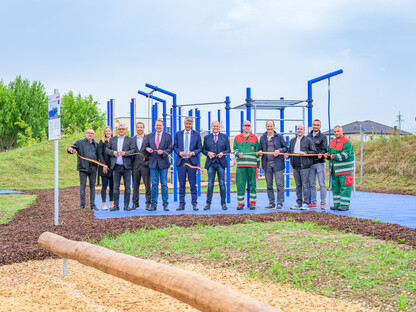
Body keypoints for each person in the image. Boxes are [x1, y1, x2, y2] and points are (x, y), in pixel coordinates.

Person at [285, 124, 317, 210]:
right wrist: (287, 155)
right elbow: (289, 152)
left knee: (305, 185)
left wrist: (305, 152)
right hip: (295, 166)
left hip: (305, 166)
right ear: (296, 130)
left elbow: (314, 152)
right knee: (298, 186)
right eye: (298, 129)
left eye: (301, 129)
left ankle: (306, 203)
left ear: (304, 130)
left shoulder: (308, 140)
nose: (299, 130)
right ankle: (298, 203)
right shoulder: (292, 140)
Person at [174, 117, 202, 211]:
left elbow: (200, 148)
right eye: (187, 123)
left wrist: (193, 153)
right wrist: (179, 152)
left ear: (192, 125)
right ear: (184, 124)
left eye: (190, 124)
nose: (188, 125)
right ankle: (181, 204)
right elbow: (175, 146)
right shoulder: (178, 134)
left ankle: (194, 203)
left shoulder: (196, 134)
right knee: (181, 184)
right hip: (181, 161)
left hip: (191, 162)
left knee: (193, 184)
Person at [258, 120, 288, 210]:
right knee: (269, 185)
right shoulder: (262, 137)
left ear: (274, 127)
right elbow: (260, 148)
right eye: (268, 126)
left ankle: (280, 204)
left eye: (271, 126)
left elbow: (285, 148)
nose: (269, 128)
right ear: (266, 127)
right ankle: (271, 203)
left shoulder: (279, 137)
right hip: (267, 164)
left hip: (277, 163)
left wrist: (279, 151)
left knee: (279, 184)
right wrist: (260, 152)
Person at [324, 125, 355, 211]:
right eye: (335, 131)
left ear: (342, 131)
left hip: (345, 170)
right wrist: (327, 156)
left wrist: (333, 156)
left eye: (338, 131)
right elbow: (329, 153)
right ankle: (337, 204)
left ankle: (345, 206)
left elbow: (345, 155)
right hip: (334, 171)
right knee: (335, 188)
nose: (336, 133)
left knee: (345, 188)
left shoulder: (347, 142)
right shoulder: (332, 142)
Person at [106, 123, 135, 211]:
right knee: (115, 187)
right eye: (119, 129)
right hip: (116, 166)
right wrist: (113, 153)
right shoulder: (112, 139)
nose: (121, 130)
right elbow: (107, 149)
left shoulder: (130, 139)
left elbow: (133, 150)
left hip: (126, 167)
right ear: (117, 130)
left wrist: (125, 153)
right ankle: (116, 205)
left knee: (127, 187)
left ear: (125, 130)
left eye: (123, 129)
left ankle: (126, 206)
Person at [67, 128, 99, 210]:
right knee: (83, 186)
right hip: (83, 168)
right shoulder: (79, 142)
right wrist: (70, 149)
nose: (90, 134)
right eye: (88, 133)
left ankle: (93, 205)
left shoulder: (96, 144)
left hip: (93, 168)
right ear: (85, 134)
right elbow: (72, 148)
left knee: (92, 186)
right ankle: (82, 204)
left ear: (93, 135)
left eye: (92, 133)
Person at [202, 121, 231, 210]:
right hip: (210, 163)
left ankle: (223, 204)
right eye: (214, 126)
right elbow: (203, 150)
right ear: (211, 127)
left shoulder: (225, 137)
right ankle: (208, 204)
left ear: (219, 127)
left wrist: (223, 153)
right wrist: (208, 153)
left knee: (222, 183)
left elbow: (228, 150)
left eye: (217, 126)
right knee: (210, 184)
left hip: (221, 163)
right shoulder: (206, 137)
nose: (215, 127)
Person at [145, 120, 173, 211]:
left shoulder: (168, 136)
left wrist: (164, 152)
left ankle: (165, 204)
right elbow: (146, 146)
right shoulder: (149, 136)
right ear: (154, 126)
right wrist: (147, 149)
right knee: (154, 184)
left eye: (160, 125)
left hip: (163, 162)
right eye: (157, 125)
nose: (158, 127)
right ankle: (153, 204)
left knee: (164, 184)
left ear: (163, 126)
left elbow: (170, 148)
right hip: (153, 163)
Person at [234, 120, 260, 210]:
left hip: (252, 165)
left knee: (253, 184)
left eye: (248, 125)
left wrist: (258, 166)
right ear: (242, 126)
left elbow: (257, 153)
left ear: (250, 127)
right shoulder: (237, 138)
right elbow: (234, 150)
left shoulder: (255, 138)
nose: (247, 127)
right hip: (241, 165)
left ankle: (252, 202)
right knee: (240, 184)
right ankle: (240, 203)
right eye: (245, 125)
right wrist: (238, 154)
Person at [307, 119, 328, 209]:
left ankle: (323, 202)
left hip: (320, 163)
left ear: (320, 126)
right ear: (312, 126)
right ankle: (313, 202)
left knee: (322, 183)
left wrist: (321, 154)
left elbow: (325, 149)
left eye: (317, 125)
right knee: (312, 184)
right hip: (310, 163)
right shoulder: (308, 136)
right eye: (314, 124)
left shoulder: (323, 137)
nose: (315, 126)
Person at [132, 122, 151, 210]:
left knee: (147, 185)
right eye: (138, 127)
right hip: (135, 165)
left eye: (141, 127)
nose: (140, 129)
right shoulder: (132, 139)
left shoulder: (148, 138)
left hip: (145, 165)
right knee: (135, 186)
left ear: (143, 128)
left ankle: (148, 203)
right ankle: (135, 203)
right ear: (136, 128)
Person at [97, 126, 114, 210]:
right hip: (104, 166)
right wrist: (104, 165)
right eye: (106, 131)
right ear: (104, 133)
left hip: (113, 167)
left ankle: (111, 203)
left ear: (111, 132)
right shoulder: (102, 142)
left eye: (109, 131)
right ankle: (104, 204)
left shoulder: (115, 141)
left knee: (112, 186)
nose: (108, 132)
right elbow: (100, 154)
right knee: (104, 186)